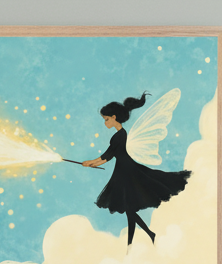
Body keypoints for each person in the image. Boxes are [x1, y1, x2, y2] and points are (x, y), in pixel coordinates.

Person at [82, 92, 191, 247]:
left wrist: (90, 162)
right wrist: (93, 163)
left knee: (130, 209)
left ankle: (140, 239)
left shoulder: (119, 136)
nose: (105, 123)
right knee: (129, 210)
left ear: (114, 117)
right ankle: (140, 239)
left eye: (106, 119)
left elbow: (106, 157)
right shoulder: (120, 134)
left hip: (127, 172)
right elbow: (107, 156)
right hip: (124, 170)